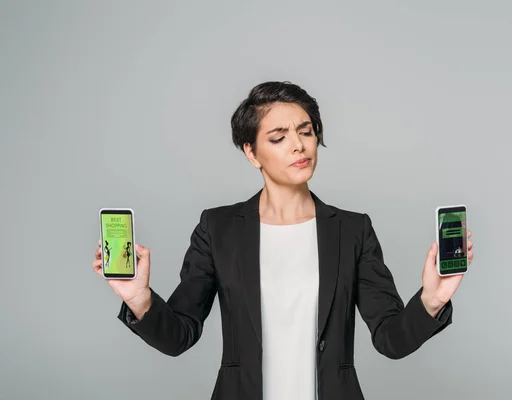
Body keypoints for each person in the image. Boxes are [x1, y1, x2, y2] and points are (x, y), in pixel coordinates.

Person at [92, 81, 475, 400]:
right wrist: (138, 299)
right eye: (278, 137)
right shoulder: (218, 228)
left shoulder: (353, 230)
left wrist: (432, 300)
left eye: (306, 132)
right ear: (251, 153)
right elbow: (179, 335)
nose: (299, 145)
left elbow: (391, 340)